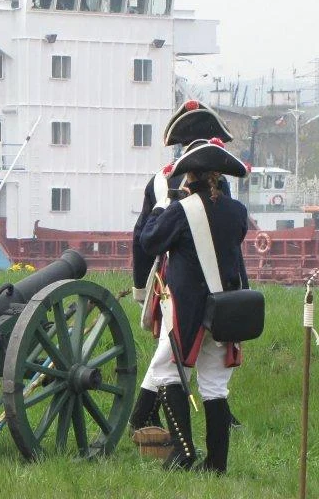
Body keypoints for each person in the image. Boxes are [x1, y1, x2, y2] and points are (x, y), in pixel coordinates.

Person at [128, 100, 243, 435]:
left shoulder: (160, 180)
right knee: (174, 355)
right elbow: (230, 242)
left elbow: (143, 237)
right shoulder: (219, 181)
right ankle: (147, 418)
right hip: (201, 280)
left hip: (178, 277)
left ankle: (145, 418)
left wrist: (140, 284)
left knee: (174, 355)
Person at [138, 138, 250, 473]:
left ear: (189, 177)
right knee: (215, 385)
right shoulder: (237, 211)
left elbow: (149, 241)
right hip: (225, 307)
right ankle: (216, 464)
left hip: (187, 307)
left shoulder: (180, 210)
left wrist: (160, 206)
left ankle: (183, 452)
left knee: (167, 373)